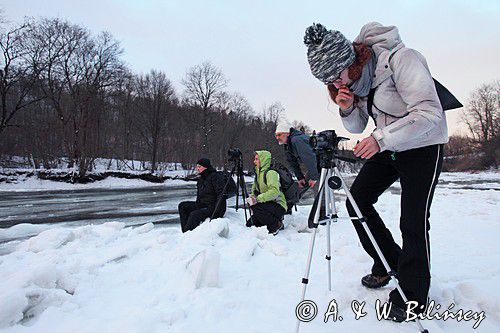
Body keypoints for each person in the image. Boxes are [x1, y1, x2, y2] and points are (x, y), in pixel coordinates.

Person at [304, 22, 447, 321]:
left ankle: (413, 295)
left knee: (413, 219)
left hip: (423, 146)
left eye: (336, 75)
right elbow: (356, 126)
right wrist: (347, 108)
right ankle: (388, 260)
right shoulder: (355, 84)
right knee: (357, 200)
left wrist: (379, 139)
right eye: (328, 81)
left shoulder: (401, 60)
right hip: (390, 146)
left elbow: (430, 113)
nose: (335, 84)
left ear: (350, 61)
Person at [275, 120, 326, 218]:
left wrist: (314, 177)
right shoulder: (287, 145)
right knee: (302, 186)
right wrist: (300, 177)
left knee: (318, 188)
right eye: (276, 135)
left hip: (320, 163)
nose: (277, 138)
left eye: (279, 135)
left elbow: (310, 158)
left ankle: (322, 214)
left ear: (287, 133)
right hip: (314, 165)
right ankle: (286, 207)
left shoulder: (297, 140)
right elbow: (292, 162)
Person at [178, 158, 226, 233]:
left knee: (194, 214)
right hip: (203, 204)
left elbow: (221, 194)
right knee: (183, 206)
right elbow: (199, 195)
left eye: (199, 167)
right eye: (197, 166)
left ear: (205, 167)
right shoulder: (202, 178)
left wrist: (217, 210)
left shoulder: (215, 177)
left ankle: (189, 235)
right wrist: (197, 205)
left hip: (214, 207)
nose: (197, 168)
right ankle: (185, 233)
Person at [246, 150, 287, 235]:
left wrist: (257, 199)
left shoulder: (271, 173)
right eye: (255, 159)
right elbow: (254, 190)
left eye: (257, 159)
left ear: (263, 159)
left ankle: (276, 225)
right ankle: (272, 220)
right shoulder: (258, 173)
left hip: (279, 205)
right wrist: (252, 199)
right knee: (250, 224)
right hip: (267, 204)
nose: (254, 161)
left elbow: (274, 192)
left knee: (256, 207)